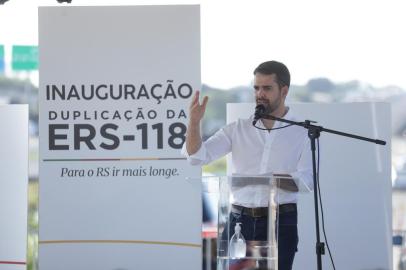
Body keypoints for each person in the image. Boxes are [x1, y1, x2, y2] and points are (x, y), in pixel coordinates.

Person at [181, 60, 313, 270]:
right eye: (256, 88)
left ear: (284, 90)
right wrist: (194, 122)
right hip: (239, 222)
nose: (260, 93)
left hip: (281, 221)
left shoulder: (304, 132)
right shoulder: (237, 129)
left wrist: (271, 180)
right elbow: (196, 157)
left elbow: (307, 181)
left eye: (267, 88)